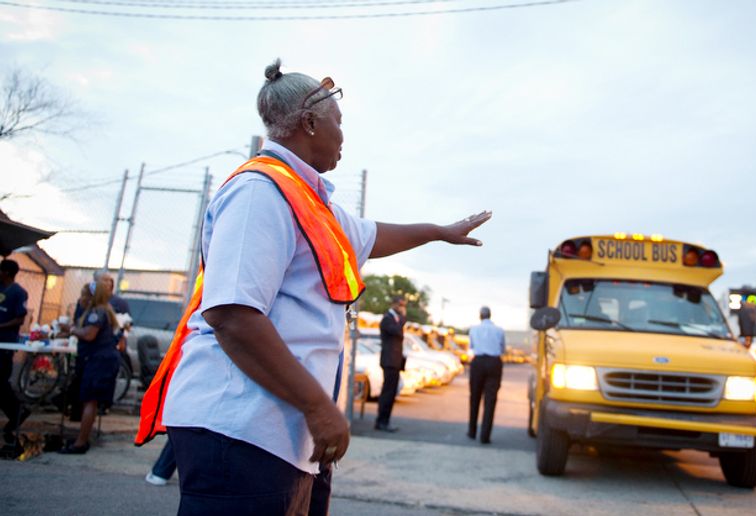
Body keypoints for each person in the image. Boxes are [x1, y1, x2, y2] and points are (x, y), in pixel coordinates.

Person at [135, 59, 491, 515]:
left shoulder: (310, 201)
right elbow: (233, 316)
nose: (343, 136)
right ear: (308, 122)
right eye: (338, 123)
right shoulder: (259, 192)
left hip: (280, 436)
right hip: (240, 429)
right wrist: (319, 408)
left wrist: (438, 231)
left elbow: (375, 235)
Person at [58, 281, 121, 454]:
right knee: (89, 400)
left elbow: (89, 335)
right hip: (99, 360)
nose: (81, 297)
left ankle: (81, 442)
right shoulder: (101, 310)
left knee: (90, 401)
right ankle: (82, 438)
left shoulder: (97, 312)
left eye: (84, 294)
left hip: (99, 361)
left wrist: (72, 329)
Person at [0, 259, 30, 443]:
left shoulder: (19, 293)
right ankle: (16, 412)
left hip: (6, 344)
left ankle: (18, 411)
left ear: (7, 273)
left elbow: (20, 318)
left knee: (1, 380)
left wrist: (1, 326)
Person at [467, 306, 505, 444]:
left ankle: (472, 431)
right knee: (490, 400)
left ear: (480, 316)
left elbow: (471, 347)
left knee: (474, 398)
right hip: (494, 363)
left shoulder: (473, 329)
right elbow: (502, 349)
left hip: (478, 362)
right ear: (490, 315)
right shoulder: (499, 330)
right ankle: (485, 435)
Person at [376, 296, 407, 433]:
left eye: (403, 305)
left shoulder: (395, 319)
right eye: (400, 304)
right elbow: (396, 332)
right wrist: (403, 318)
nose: (402, 307)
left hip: (395, 361)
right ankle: (382, 421)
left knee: (391, 392)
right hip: (389, 361)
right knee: (387, 393)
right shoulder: (387, 319)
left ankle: (385, 420)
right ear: (394, 304)